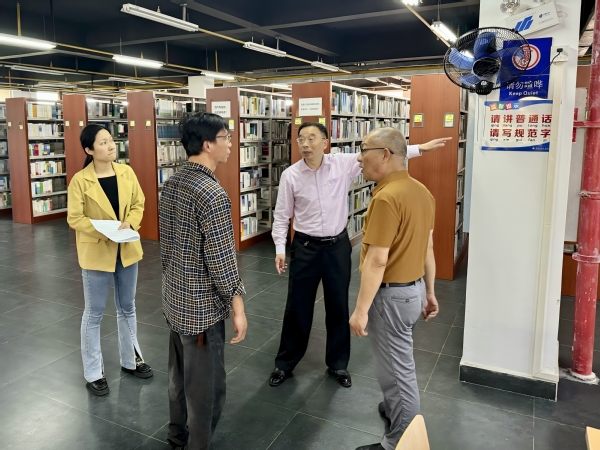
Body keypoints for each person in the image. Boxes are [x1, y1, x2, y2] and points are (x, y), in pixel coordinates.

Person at [269, 121, 449, 388]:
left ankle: (338, 364)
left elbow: (383, 155)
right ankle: (285, 363)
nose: (305, 144)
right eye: (301, 139)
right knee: (297, 306)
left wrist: (420, 148)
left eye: (311, 138)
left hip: (337, 246)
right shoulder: (291, 175)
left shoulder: (342, 163)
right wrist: (280, 248)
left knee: (338, 305)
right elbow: (282, 215)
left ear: (325, 142)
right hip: (305, 246)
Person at [159, 112, 248, 450]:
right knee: (207, 390)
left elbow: (168, 243)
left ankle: (176, 436)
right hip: (201, 310)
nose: (230, 144)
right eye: (226, 138)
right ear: (209, 144)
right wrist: (238, 308)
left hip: (175, 298)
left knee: (178, 378)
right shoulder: (212, 194)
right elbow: (222, 261)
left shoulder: (173, 181)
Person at [349, 127, 439, 450]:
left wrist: (360, 310)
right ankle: (393, 410)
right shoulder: (421, 192)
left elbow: (376, 261)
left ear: (385, 155)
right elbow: (428, 247)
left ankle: (399, 442)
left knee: (399, 374)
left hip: (391, 298)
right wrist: (430, 292)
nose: (359, 158)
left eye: (364, 150)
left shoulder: (386, 198)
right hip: (413, 291)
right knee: (394, 363)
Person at [67, 124, 152, 397]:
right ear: (89, 150)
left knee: (127, 307)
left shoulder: (126, 172)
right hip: (97, 251)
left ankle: (132, 359)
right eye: (103, 142)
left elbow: (139, 203)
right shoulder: (80, 181)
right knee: (94, 313)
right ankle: (94, 372)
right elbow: (75, 218)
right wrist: (104, 230)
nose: (111, 145)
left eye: (111, 140)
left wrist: (131, 222)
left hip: (126, 248)